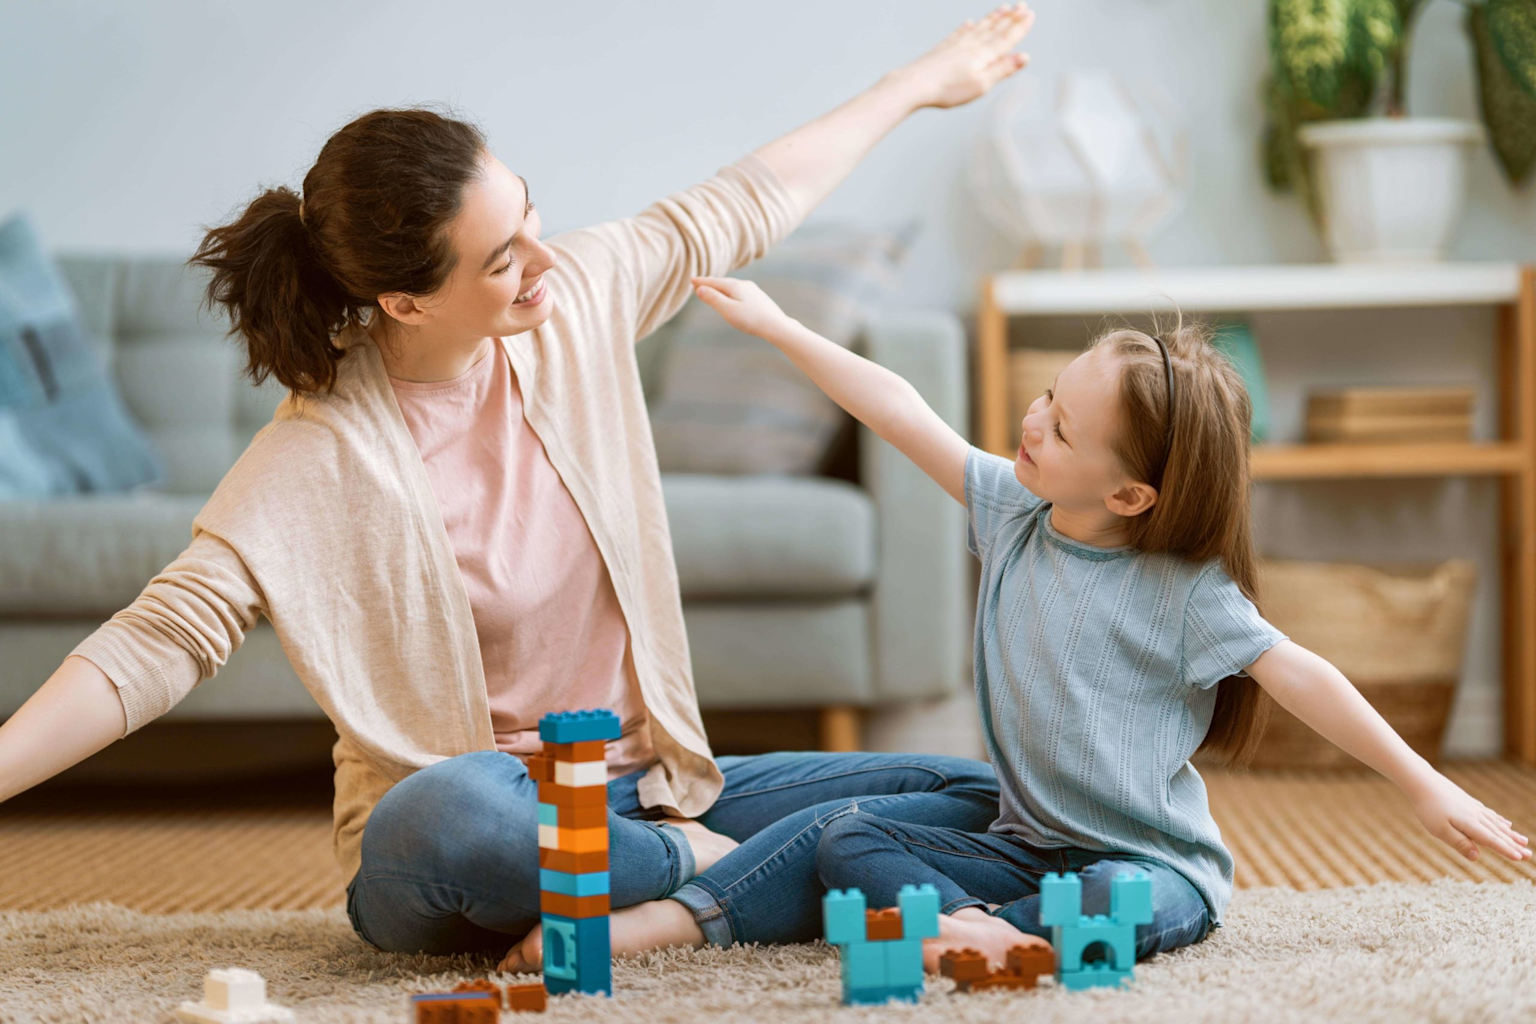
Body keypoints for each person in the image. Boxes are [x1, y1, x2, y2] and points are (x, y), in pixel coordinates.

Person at [0, 6, 1040, 963]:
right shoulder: (319, 453)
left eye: (533, 215)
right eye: (503, 257)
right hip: (475, 832)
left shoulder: (575, 302)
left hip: (650, 798)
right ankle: (728, 874)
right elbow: (158, 641)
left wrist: (921, 82)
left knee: (974, 793)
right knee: (449, 815)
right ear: (406, 301)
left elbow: (746, 200)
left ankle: (683, 883)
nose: (546, 258)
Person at [582, 272, 1531, 973]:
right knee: (848, 838)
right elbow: (902, 409)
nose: (1032, 423)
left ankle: (992, 935)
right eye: (1048, 398)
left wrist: (1421, 784)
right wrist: (784, 329)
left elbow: (1300, 674)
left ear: (1129, 492)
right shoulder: (1009, 509)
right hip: (1020, 840)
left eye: (1063, 428)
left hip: (1150, 863)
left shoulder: (1185, 589)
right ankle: (983, 936)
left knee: (1117, 901)